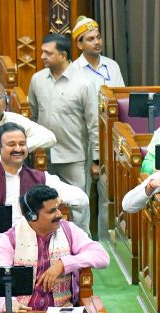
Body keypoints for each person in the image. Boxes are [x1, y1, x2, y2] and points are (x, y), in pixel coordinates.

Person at [0, 185, 109, 313]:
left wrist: (63, 264)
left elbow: (102, 257)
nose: (59, 215)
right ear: (32, 216)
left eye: (58, 208)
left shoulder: (69, 230)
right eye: (52, 211)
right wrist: (9, 302)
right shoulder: (10, 239)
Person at [0, 122, 87, 249]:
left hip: (38, 247)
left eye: (22, 144)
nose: (18, 149)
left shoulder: (41, 178)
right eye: (11, 144)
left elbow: (82, 199)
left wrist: (57, 200)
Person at [28, 33, 99, 235]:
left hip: (74, 156)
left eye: (48, 53)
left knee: (78, 206)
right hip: (43, 157)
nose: (42, 56)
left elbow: (93, 123)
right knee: (44, 204)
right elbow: (33, 117)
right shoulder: (37, 80)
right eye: (42, 52)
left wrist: (96, 159)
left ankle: (82, 244)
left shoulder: (84, 82)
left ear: (63, 55)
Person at [70, 16, 125, 87]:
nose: (97, 42)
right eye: (91, 39)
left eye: (98, 37)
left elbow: (122, 93)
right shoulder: (73, 70)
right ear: (80, 44)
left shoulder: (113, 65)